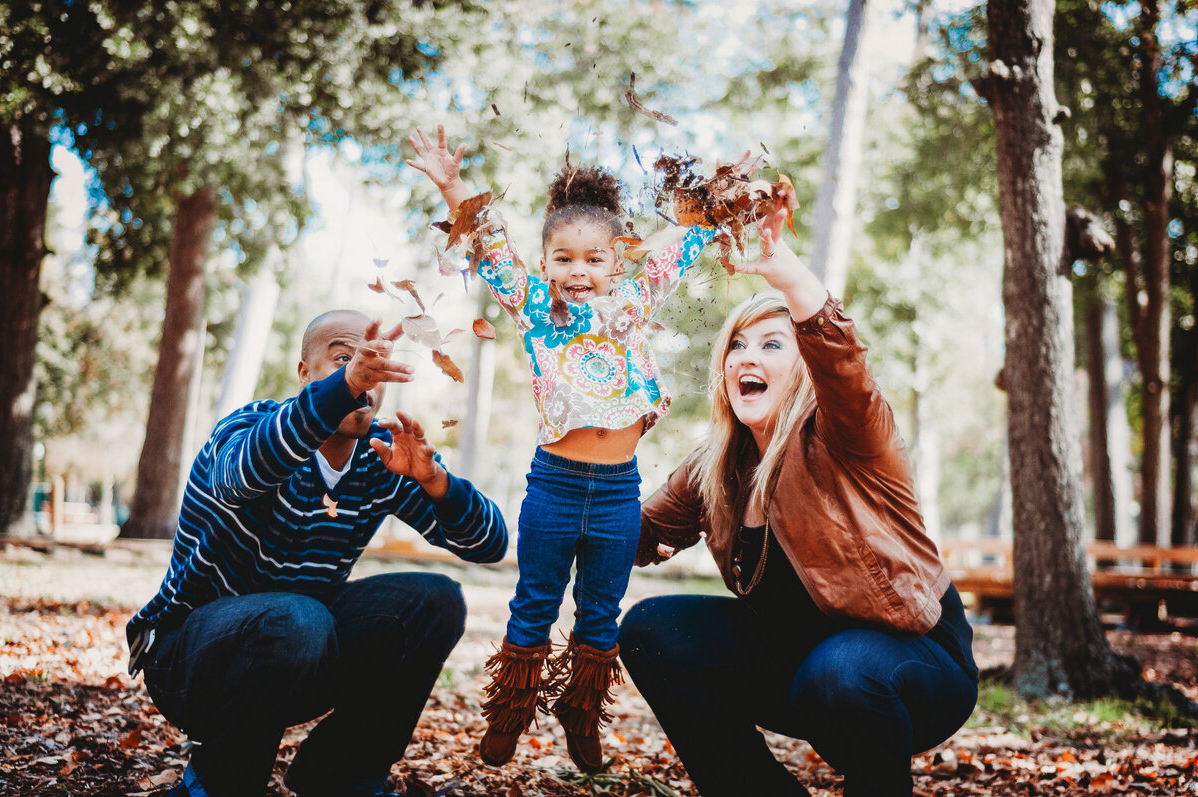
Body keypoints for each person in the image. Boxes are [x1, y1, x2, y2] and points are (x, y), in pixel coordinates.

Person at [619, 204, 979, 797]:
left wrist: (788, 276)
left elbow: (845, 369)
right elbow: (630, 534)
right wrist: (597, 449)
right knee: (654, 628)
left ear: (804, 368)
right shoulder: (714, 465)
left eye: (771, 344)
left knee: (837, 670)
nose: (747, 358)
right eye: (737, 345)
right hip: (801, 664)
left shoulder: (847, 436)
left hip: (915, 659)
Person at [407, 125, 715, 772]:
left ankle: (582, 714)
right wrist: (450, 182)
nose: (579, 271)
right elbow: (488, 241)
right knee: (535, 603)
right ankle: (509, 714)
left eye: (594, 259)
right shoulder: (535, 309)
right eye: (564, 258)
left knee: (601, 612)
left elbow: (685, 238)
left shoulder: (635, 302)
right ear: (544, 264)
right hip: (552, 486)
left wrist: (734, 191)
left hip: (617, 496)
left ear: (618, 263)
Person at [127, 310, 509, 797]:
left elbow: (489, 545)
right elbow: (237, 476)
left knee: (434, 601)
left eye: (372, 364)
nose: (362, 375)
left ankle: (340, 777)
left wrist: (438, 485)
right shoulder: (253, 427)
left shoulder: (380, 459)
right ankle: (218, 784)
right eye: (343, 360)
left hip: (299, 652)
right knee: (297, 617)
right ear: (305, 374)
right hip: (188, 661)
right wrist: (341, 388)